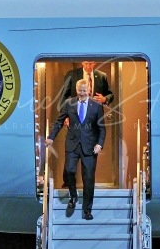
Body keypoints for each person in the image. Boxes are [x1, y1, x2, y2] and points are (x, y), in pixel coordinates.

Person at [45, 79, 105, 220]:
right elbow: (59, 122)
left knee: (88, 179)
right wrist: (51, 137)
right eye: (80, 90)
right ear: (77, 90)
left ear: (89, 90)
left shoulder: (96, 106)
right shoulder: (69, 103)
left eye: (85, 90)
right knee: (69, 171)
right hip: (72, 144)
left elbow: (102, 128)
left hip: (90, 147)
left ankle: (87, 210)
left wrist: (99, 144)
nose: (82, 93)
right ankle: (73, 196)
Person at [58, 61, 114, 188]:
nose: (88, 66)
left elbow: (110, 94)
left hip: (93, 119)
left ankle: (88, 185)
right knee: (72, 150)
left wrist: (105, 99)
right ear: (82, 63)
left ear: (94, 63)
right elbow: (63, 97)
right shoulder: (72, 74)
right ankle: (68, 183)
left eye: (90, 63)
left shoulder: (102, 76)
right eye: (86, 63)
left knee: (89, 151)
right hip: (75, 118)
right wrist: (65, 115)